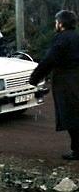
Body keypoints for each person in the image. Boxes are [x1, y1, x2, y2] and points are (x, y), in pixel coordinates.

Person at [29, 10, 79, 160]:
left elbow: (49, 60)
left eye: (56, 22)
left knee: (71, 116)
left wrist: (34, 78)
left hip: (66, 83)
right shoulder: (77, 36)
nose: (55, 24)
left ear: (61, 23)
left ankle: (77, 150)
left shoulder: (61, 39)